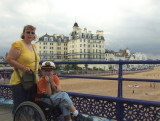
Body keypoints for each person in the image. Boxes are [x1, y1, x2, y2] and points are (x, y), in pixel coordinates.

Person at [6, 25, 40, 115]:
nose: (30, 34)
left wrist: (40, 68)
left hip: (33, 80)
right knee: (19, 105)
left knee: (31, 105)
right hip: (20, 80)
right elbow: (9, 59)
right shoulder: (18, 44)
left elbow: (33, 61)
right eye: (28, 32)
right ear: (23, 34)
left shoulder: (34, 46)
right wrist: (23, 68)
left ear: (34, 35)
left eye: (32, 33)